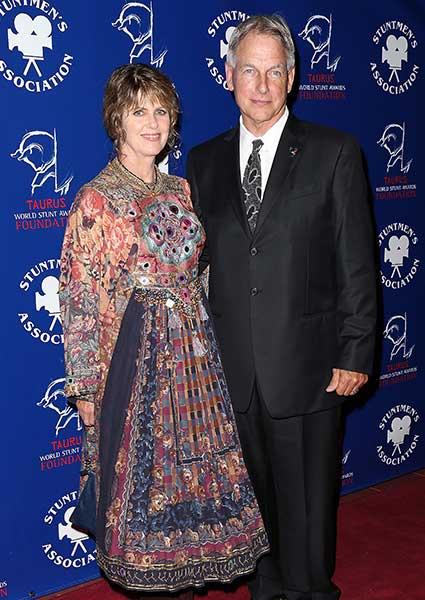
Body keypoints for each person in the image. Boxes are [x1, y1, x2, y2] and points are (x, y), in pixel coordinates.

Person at [59, 63, 269, 594]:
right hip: (131, 364)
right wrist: (84, 385)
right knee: (141, 492)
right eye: (138, 111)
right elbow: (80, 299)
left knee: (193, 484)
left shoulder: (183, 189)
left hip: (195, 363)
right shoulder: (95, 200)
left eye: (160, 110)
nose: (152, 122)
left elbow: (203, 273)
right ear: (117, 121)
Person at [187, 15, 377, 600]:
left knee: (307, 517)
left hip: (310, 369)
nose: (262, 84)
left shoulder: (334, 152)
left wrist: (355, 349)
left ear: (293, 78)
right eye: (250, 70)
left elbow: (357, 263)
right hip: (234, 372)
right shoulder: (203, 161)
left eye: (275, 71)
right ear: (229, 76)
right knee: (255, 518)